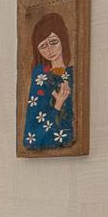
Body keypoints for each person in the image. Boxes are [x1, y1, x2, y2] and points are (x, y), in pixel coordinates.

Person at [23, 12, 76, 151]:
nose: (49, 49)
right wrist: (58, 103)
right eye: (42, 46)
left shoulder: (72, 74)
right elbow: (33, 133)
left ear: (63, 40)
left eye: (53, 42)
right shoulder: (41, 76)